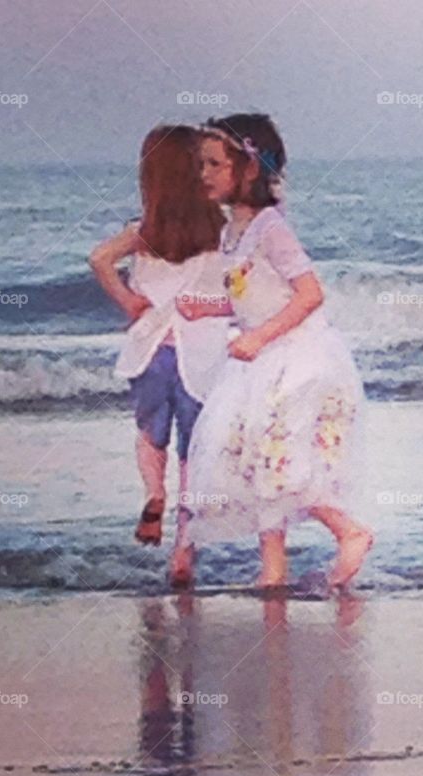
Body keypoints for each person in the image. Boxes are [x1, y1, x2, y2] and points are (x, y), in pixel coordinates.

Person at [180, 113, 372, 589]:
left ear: (248, 169)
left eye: (215, 164)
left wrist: (259, 337)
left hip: (297, 359)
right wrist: (209, 308)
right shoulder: (233, 232)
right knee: (258, 462)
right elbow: (253, 293)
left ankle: (350, 531)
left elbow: (310, 294)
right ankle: (273, 572)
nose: (204, 173)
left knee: (284, 461)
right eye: (201, 164)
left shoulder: (271, 228)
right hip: (260, 361)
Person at [88, 125, 231, 587]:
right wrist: (219, 306)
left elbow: (99, 259)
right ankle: (183, 548)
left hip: (151, 349)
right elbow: (240, 288)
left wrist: (129, 302)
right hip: (202, 352)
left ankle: (154, 494)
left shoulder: (145, 230)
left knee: (151, 434)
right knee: (195, 449)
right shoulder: (221, 228)